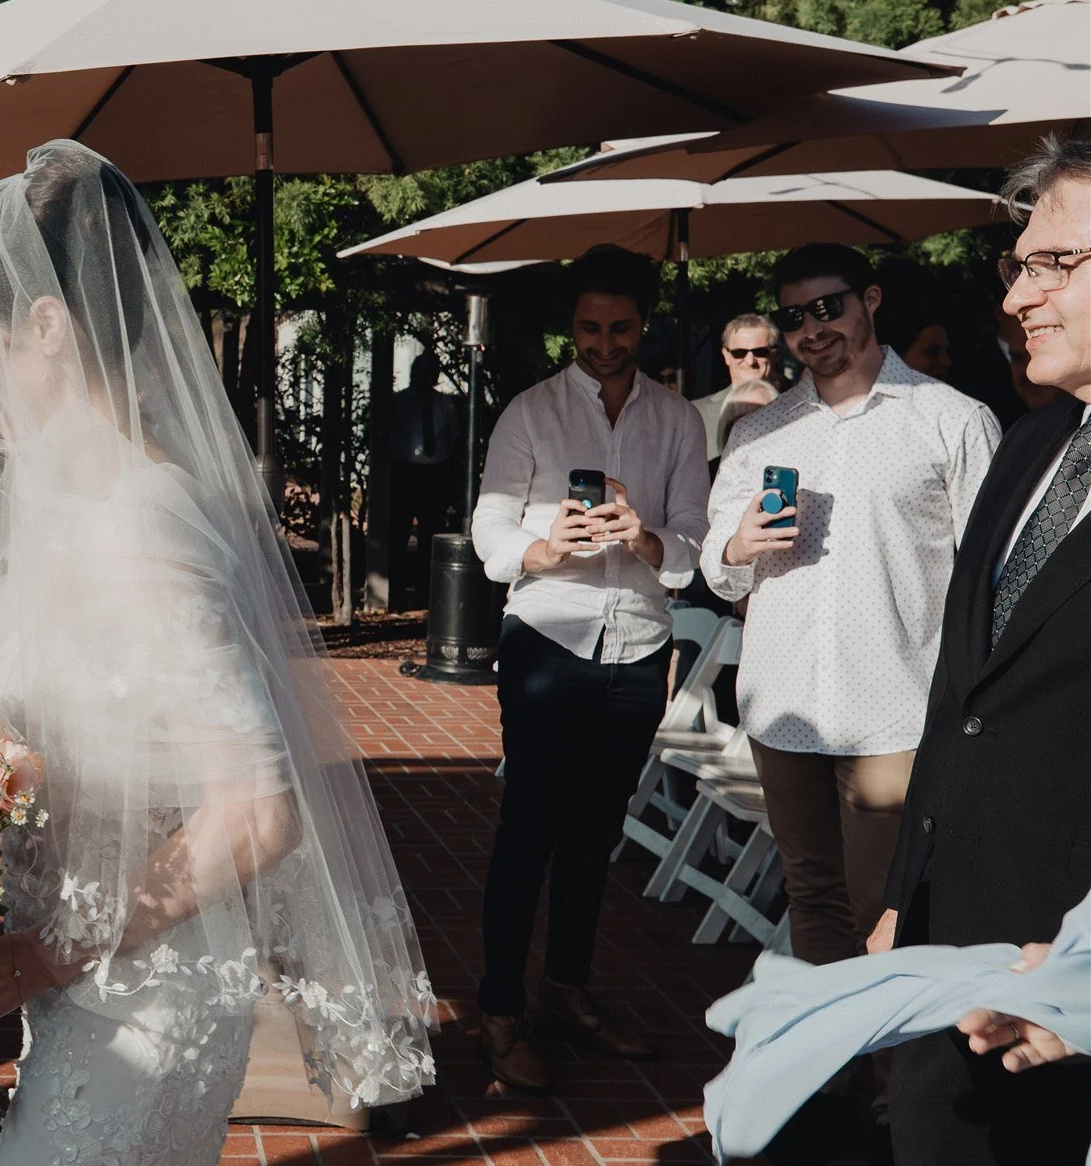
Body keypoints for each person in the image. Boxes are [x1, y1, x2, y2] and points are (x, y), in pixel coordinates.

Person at [0, 142, 438, 1166]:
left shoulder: (138, 524)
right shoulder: (56, 506)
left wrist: (25, 962)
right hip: (80, 987)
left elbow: (257, 813)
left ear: (45, 324)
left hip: (148, 996)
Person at [870, 136, 1091, 1166]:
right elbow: (961, 693)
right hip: (945, 946)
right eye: (1018, 266)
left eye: (1051, 265)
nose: (1015, 298)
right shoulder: (1026, 446)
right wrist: (900, 894)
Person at [704, 246, 997, 987]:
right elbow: (715, 568)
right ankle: (834, 1074)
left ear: (870, 299)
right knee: (812, 897)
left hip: (894, 713)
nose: (812, 328)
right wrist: (739, 541)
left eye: (829, 306)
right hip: (785, 705)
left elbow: (994, 577)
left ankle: (897, 1096)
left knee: (886, 909)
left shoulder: (951, 420)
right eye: (796, 315)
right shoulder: (760, 432)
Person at [468, 246, 709, 1094]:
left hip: (639, 648)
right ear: (569, 326)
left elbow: (692, 543)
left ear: (644, 324)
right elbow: (489, 531)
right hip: (547, 641)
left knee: (594, 838)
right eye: (587, 327)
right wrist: (544, 545)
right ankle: (500, 1009)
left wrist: (643, 537)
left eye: (620, 327)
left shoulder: (678, 420)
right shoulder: (529, 412)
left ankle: (567, 990)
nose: (604, 343)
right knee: (527, 830)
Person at [389, 352, 462, 603]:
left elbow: (452, 436)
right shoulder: (399, 401)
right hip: (405, 469)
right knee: (398, 531)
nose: (426, 376)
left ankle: (425, 589)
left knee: (430, 531)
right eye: (422, 371)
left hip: (434, 471)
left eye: (431, 371)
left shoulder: (445, 404)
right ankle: (396, 589)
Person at [692, 314, 780, 461]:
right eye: (740, 353)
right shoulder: (696, 414)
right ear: (726, 355)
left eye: (759, 352)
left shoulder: (799, 408)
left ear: (775, 354)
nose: (750, 361)